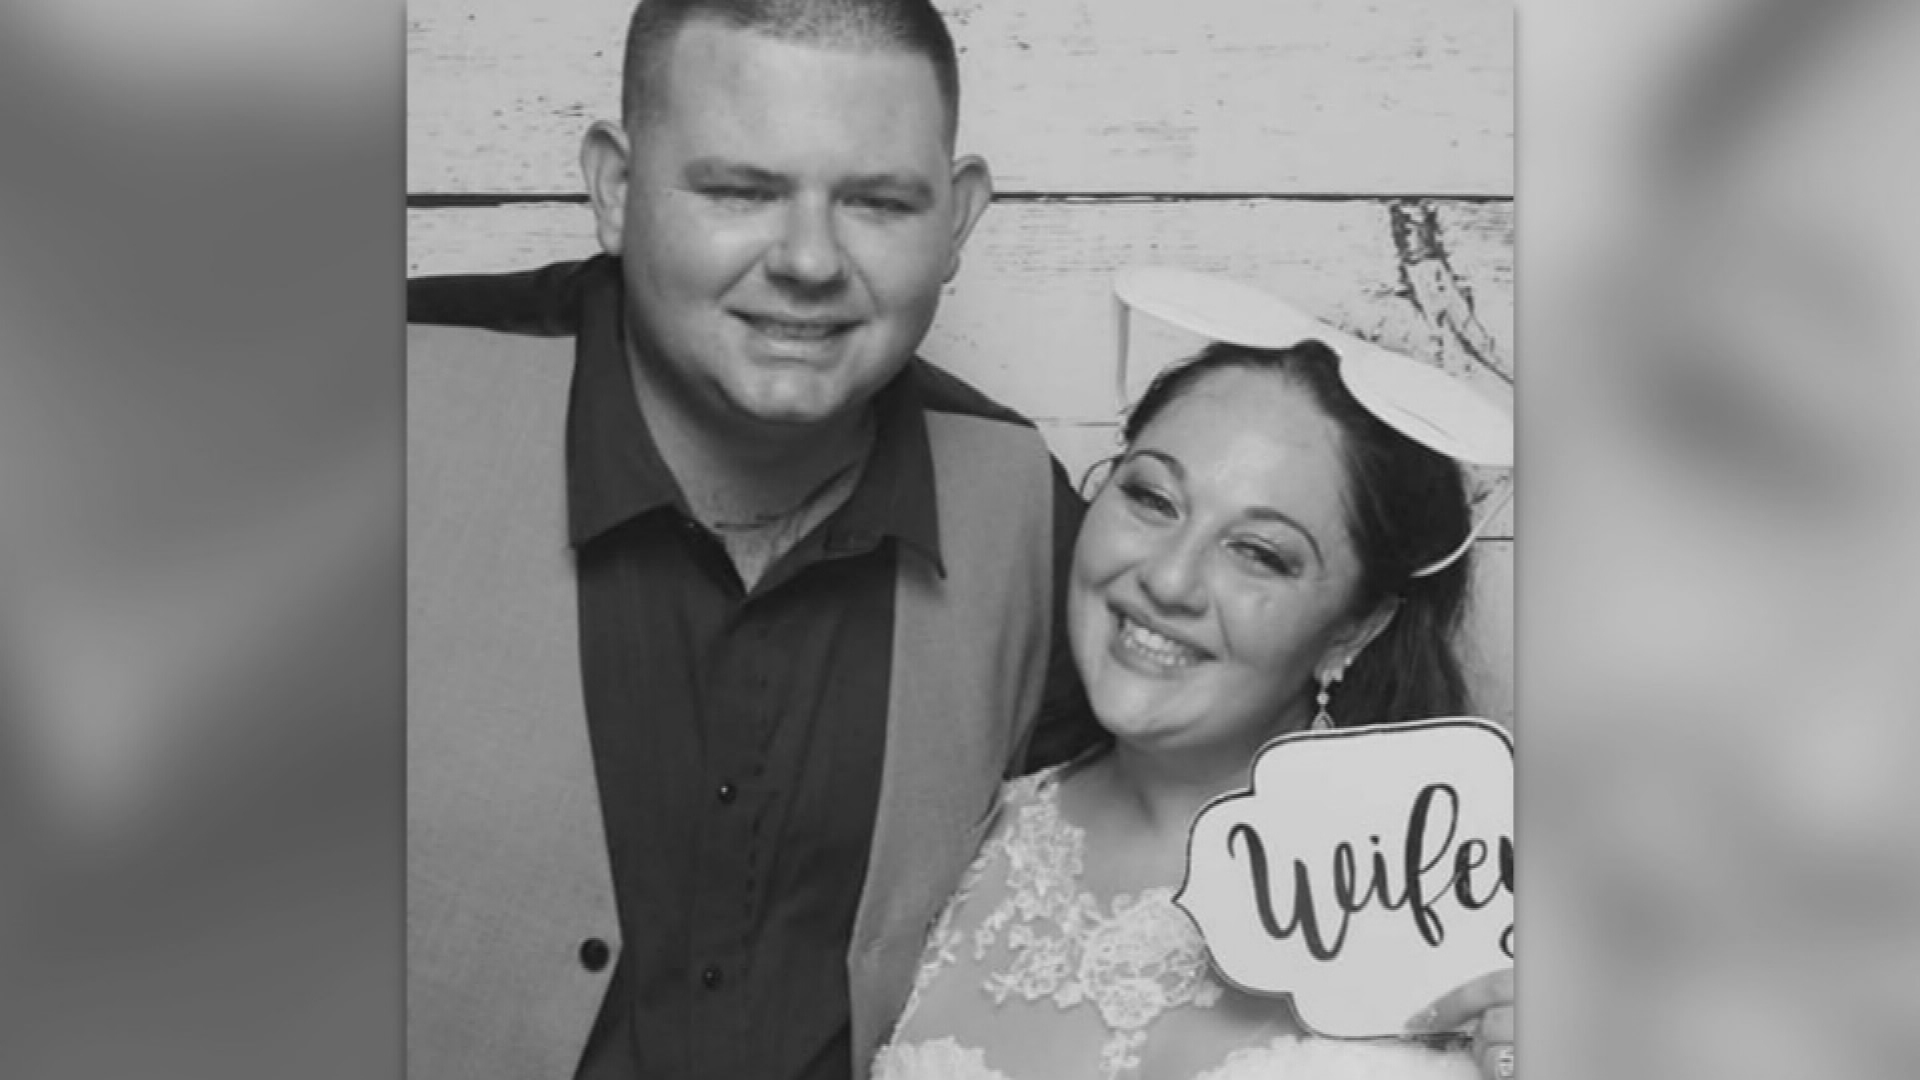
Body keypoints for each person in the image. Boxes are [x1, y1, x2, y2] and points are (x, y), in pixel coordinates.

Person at [405, 3, 1101, 1080]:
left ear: (957, 219)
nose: (810, 260)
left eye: (878, 202)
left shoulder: (1024, 510)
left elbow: (1151, 865)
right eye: (740, 191)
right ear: (615, 188)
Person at [872, 285, 1516, 1079]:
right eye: (1152, 498)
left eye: (1260, 553)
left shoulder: (1467, 897)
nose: (1169, 580)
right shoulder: (955, 838)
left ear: (1357, 625)